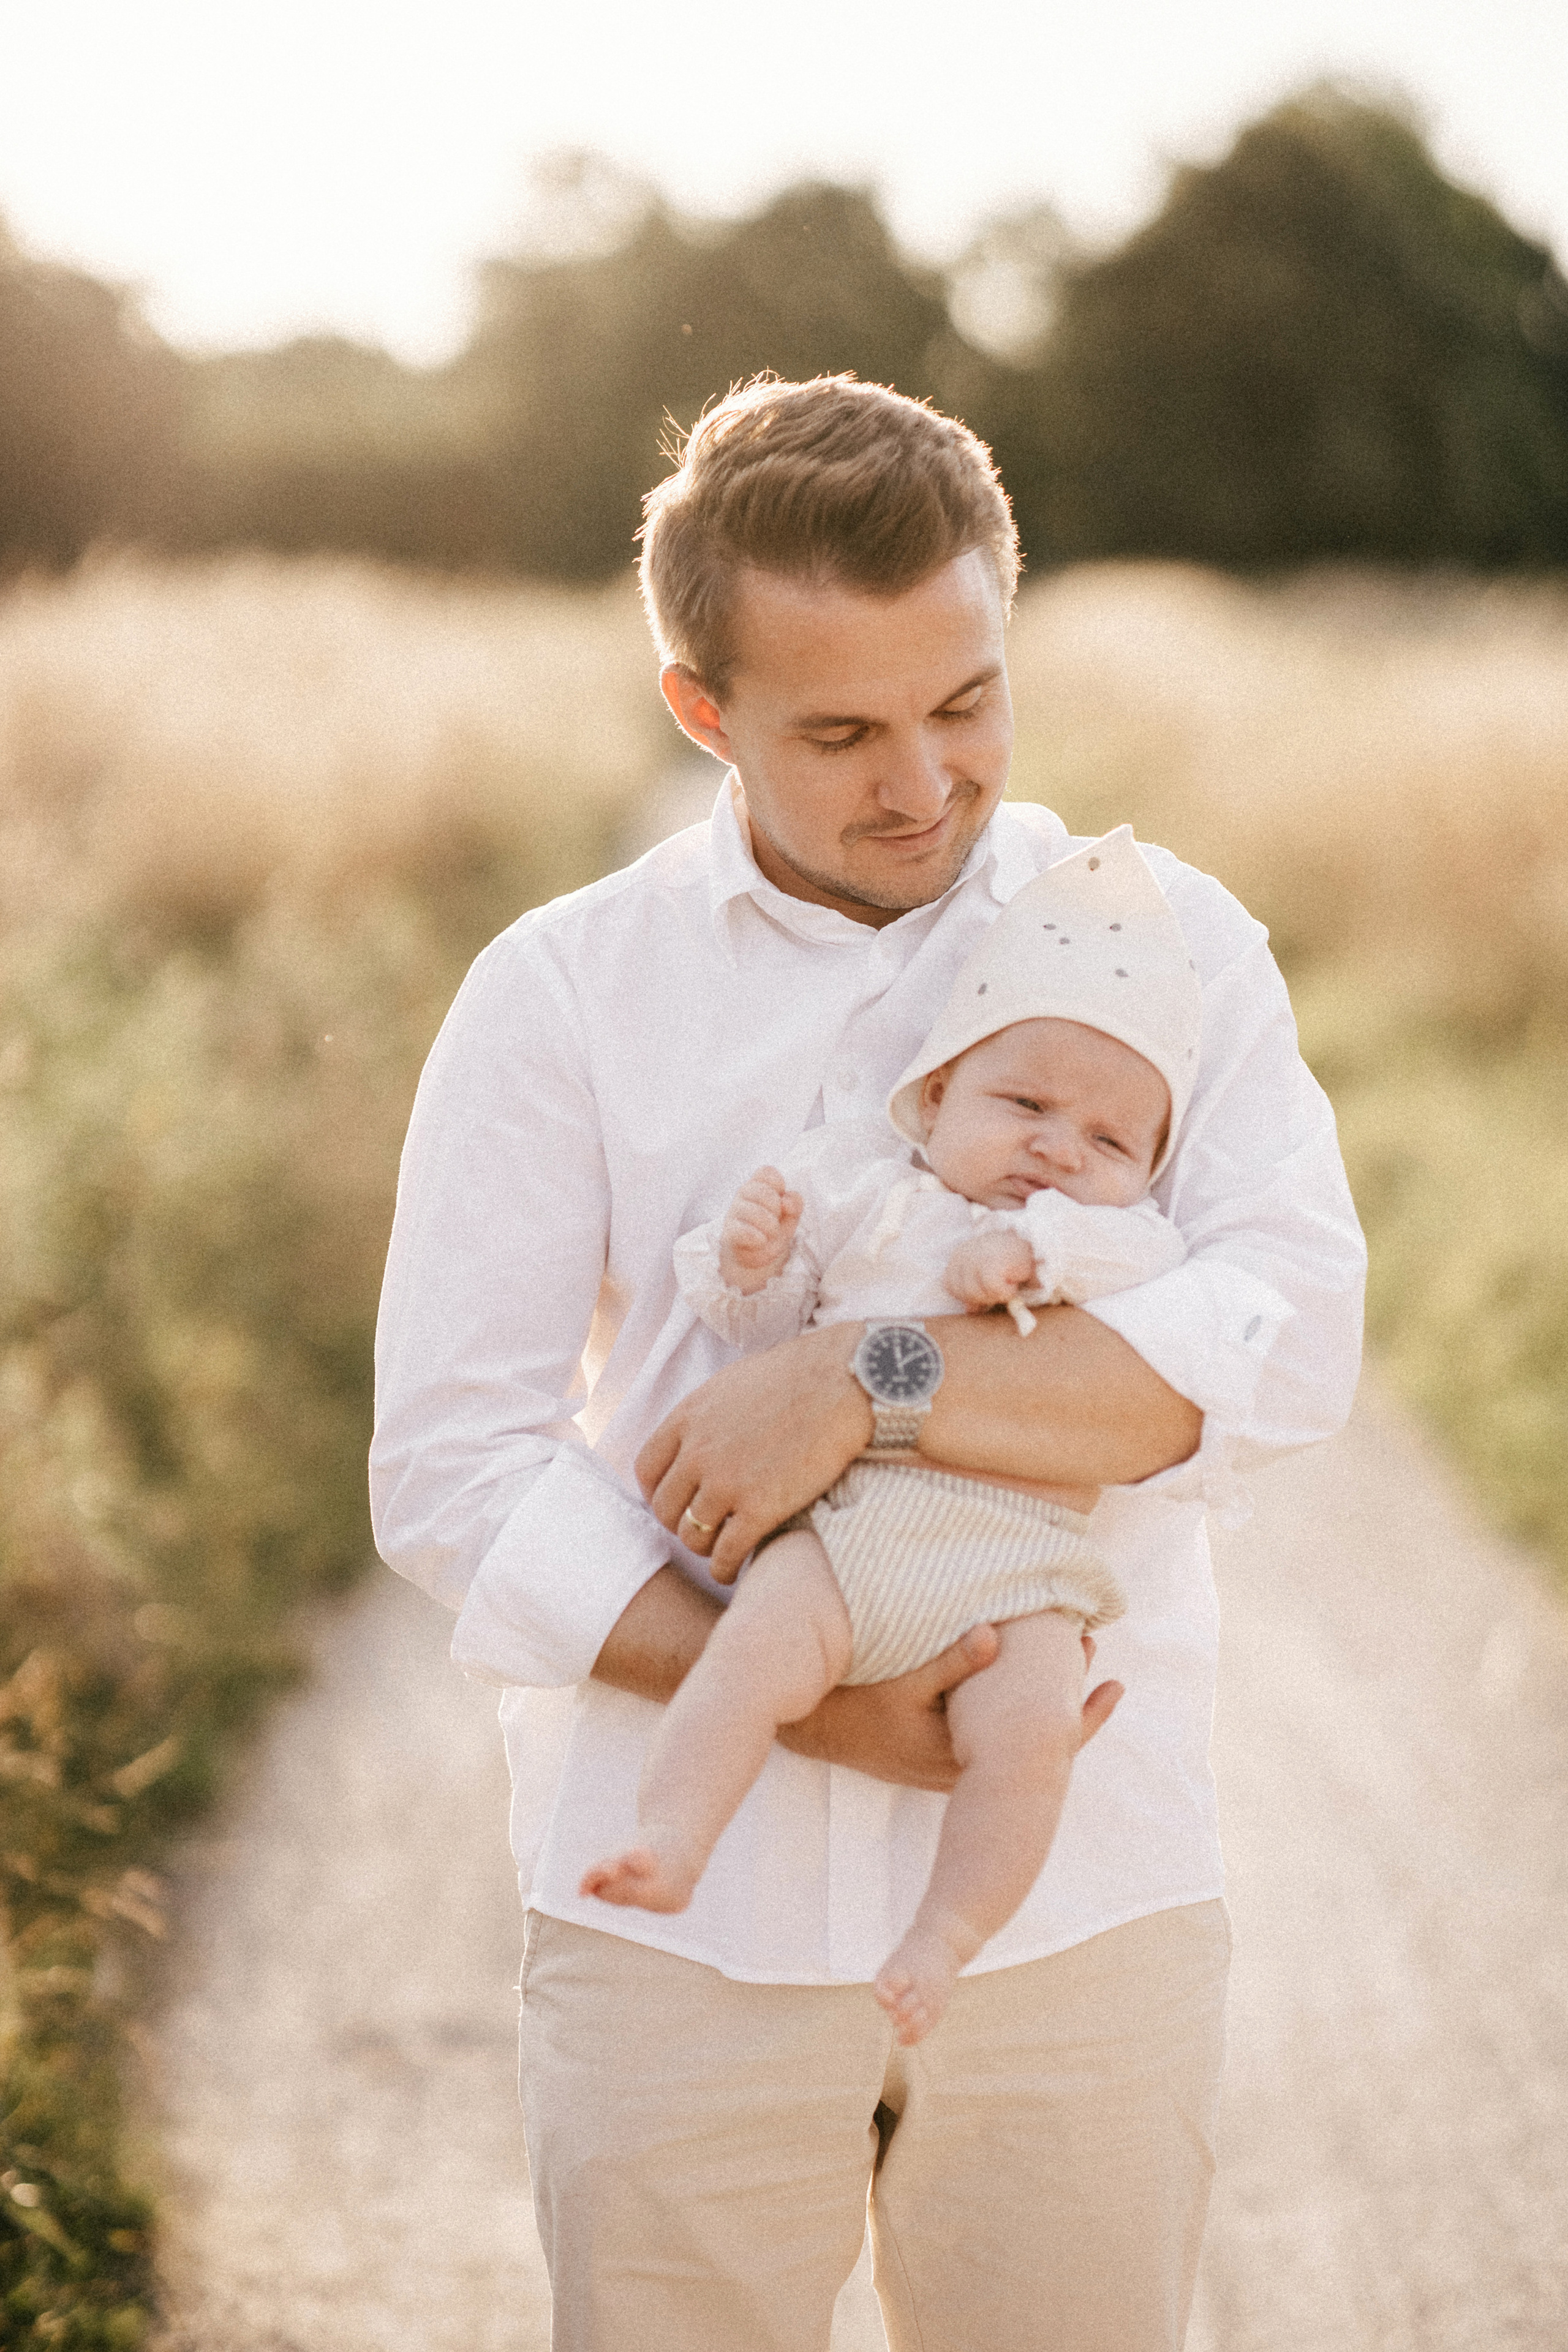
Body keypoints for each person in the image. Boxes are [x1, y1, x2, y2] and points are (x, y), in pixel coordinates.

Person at [371, 374, 1366, 2352]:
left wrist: (866, 1377)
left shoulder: (1175, 949)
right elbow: (457, 1478)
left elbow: (1280, 1341)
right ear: (699, 708)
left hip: (1091, 1897)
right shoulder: (558, 993)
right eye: (840, 732)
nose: (924, 782)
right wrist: (827, 1701)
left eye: (967, 703)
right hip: (681, 1928)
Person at [581, 827, 1200, 2049]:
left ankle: (946, 1933)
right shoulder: (873, 1196)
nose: (1058, 1149)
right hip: (849, 1529)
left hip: (1020, 1560)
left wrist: (1036, 1253)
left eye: (1108, 1142)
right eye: (1022, 1103)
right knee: (750, 1652)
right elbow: (755, 1329)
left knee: (1027, 1742)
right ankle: (671, 1837)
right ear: (932, 1102)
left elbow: (1148, 1268)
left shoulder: (1111, 1240)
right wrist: (751, 1256)